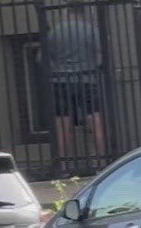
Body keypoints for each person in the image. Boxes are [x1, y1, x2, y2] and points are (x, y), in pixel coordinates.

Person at [43, 9, 104, 168]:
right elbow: (101, 55)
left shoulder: (53, 33)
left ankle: (62, 166)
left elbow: (43, 58)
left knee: (63, 125)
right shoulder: (92, 30)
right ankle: (101, 162)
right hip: (87, 80)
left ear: (65, 14)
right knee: (95, 120)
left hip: (61, 81)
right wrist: (92, 67)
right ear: (82, 13)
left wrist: (57, 68)